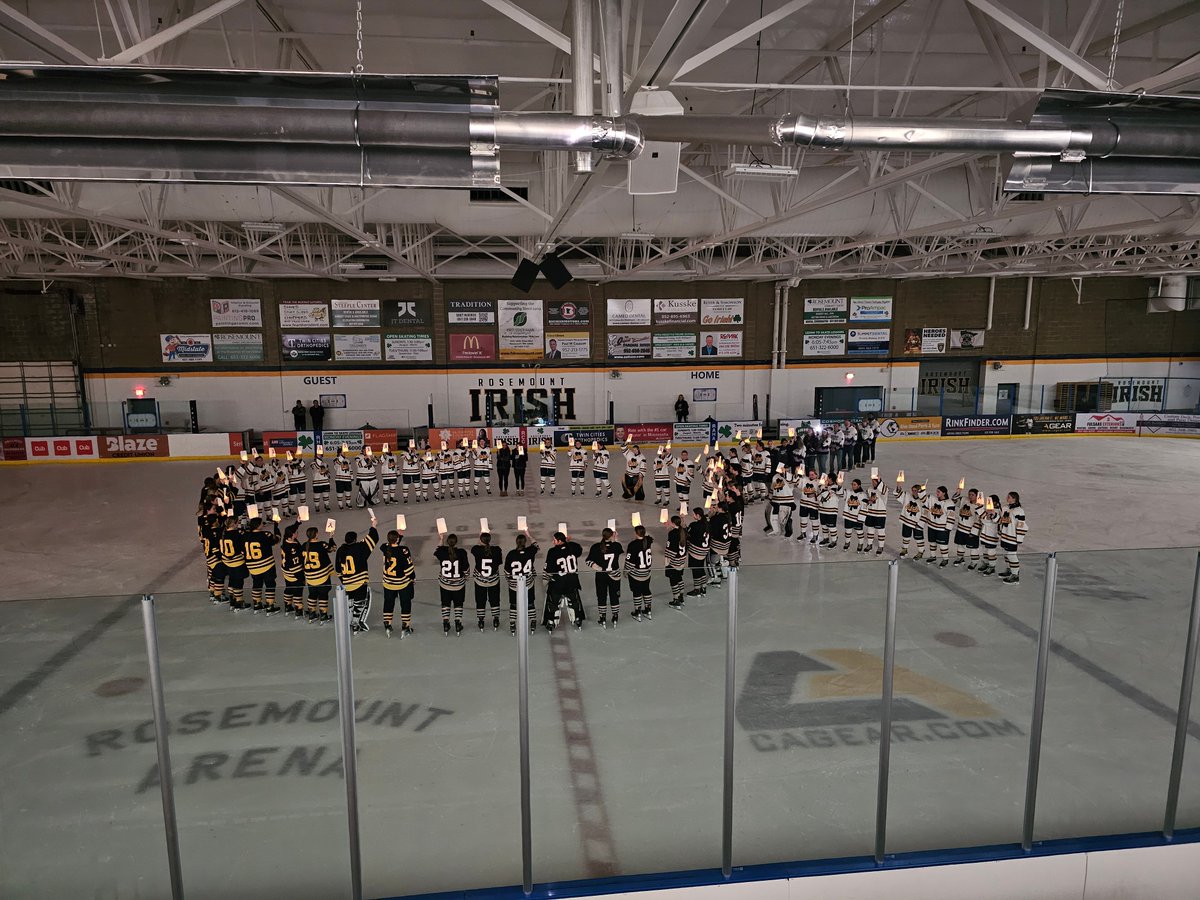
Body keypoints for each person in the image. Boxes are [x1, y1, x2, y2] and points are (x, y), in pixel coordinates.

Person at [336, 521, 379, 632]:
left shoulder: (340, 550)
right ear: (355, 539)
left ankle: (349, 621)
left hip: (347, 584)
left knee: (350, 602)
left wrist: (344, 580)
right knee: (361, 602)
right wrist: (373, 526)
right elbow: (373, 538)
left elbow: (337, 569)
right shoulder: (359, 547)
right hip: (359, 582)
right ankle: (356, 622)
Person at [543, 531, 585, 631]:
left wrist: (545, 580)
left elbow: (548, 569)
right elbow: (579, 549)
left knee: (553, 602)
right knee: (574, 600)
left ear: (559, 541)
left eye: (554, 540)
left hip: (558, 583)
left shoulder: (552, 552)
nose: (553, 542)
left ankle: (551, 621)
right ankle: (578, 618)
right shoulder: (572, 548)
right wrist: (568, 542)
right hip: (572, 581)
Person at [379, 528, 416, 637]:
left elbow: (389, 546)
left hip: (388, 583)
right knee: (405, 604)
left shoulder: (385, 548)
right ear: (397, 539)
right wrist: (413, 578)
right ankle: (405, 627)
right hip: (402, 583)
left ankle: (387, 626)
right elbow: (408, 568)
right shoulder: (404, 550)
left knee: (388, 604)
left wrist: (398, 537)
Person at [586, 527, 623, 628]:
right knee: (614, 596)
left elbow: (588, 561)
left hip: (601, 576)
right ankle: (615, 617)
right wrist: (615, 539)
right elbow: (618, 549)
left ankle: (602, 618)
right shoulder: (617, 546)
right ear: (611, 535)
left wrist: (599, 568)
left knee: (601, 596)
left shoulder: (596, 547)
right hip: (614, 576)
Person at [243, 516, 281, 614]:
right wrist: (276, 526)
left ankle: (257, 604)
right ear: (258, 525)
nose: (263, 525)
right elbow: (277, 540)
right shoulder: (265, 534)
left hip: (252, 566)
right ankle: (270, 605)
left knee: (257, 584)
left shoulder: (245, 535)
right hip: (266, 565)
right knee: (270, 584)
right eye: (262, 523)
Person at [504, 530, 539, 634]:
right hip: (528, 583)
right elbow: (536, 545)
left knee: (514, 604)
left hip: (514, 585)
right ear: (525, 542)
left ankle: (512, 623)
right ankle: (532, 621)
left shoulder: (511, 554)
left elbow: (506, 571)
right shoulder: (530, 551)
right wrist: (528, 534)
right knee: (530, 603)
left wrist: (510, 581)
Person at [434, 532, 469, 635]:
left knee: (445, 603)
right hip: (459, 585)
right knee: (458, 603)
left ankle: (445, 623)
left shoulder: (442, 552)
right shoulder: (462, 552)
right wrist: (466, 577)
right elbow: (466, 569)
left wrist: (441, 538)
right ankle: (458, 623)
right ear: (456, 542)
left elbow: (437, 550)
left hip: (445, 584)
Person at [302, 525, 336, 623]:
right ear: (316, 534)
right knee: (323, 595)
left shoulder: (304, 545)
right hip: (322, 576)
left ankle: (312, 614)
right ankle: (323, 615)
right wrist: (331, 537)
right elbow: (333, 548)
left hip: (310, 577)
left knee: (312, 594)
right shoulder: (322, 544)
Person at [472, 531, 504, 631]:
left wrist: (480, 536)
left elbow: (476, 548)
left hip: (480, 581)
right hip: (493, 580)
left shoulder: (476, 549)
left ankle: (481, 621)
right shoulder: (497, 550)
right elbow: (499, 562)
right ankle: (495, 619)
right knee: (494, 599)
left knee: (480, 600)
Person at [219, 516, 248, 611]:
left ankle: (232, 600)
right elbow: (243, 547)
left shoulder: (223, 533)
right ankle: (239, 602)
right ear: (234, 523)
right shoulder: (237, 534)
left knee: (231, 580)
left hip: (227, 562)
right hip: (237, 562)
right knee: (238, 582)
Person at [625, 525, 654, 621]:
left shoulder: (633, 545)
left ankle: (637, 612)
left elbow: (630, 562)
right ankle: (648, 610)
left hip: (636, 574)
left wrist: (626, 571)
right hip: (647, 572)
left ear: (636, 533)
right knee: (646, 590)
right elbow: (650, 538)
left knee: (637, 592)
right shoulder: (648, 541)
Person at [998, 491, 1028, 584]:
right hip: (1005, 536)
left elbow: (1021, 525)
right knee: (1007, 555)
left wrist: (1019, 538)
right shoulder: (1005, 508)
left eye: (1010, 497)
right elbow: (1001, 521)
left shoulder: (1019, 511)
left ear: (1015, 499)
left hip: (1012, 537)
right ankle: (1009, 570)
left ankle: (1015, 575)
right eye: (1008, 496)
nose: (1007, 498)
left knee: (1012, 555)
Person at [894, 482, 928, 559]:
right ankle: (904, 549)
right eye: (913, 490)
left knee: (919, 538)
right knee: (906, 536)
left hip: (917, 524)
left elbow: (925, 513)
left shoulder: (924, 501)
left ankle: (921, 551)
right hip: (907, 521)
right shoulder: (907, 496)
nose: (914, 492)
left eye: (916, 490)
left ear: (919, 491)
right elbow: (897, 495)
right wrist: (898, 487)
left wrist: (920, 523)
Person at [683, 507, 711, 601]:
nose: (693, 515)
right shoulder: (707, 523)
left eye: (694, 514)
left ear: (698, 516)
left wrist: (683, 524)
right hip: (704, 551)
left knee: (695, 570)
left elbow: (687, 534)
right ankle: (703, 588)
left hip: (696, 551)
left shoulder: (694, 525)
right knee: (701, 568)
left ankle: (697, 589)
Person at [280, 522, 305, 617]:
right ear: (293, 534)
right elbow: (295, 564)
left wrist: (297, 523)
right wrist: (301, 577)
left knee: (289, 588)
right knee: (298, 591)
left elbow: (289, 530)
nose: (297, 533)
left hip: (286, 571)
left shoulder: (285, 541)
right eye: (296, 532)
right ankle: (299, 610)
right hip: (294, 572)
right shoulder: (293, 548)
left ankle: (288, 606)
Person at [923, 486, 952, 567]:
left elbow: (951, 516)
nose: (937, 493)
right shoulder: (932, 499)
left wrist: (948, 528)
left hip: (942, 529)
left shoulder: (949, 503)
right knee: (932, 543)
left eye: (939, 492)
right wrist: (922, 491)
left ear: (944, 493)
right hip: (931, 526)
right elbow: (923, 499)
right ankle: (933, 556)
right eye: (937, 491)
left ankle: (945, 559)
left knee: (943, 545)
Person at [663, 515, 687, 613]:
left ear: (673, 523)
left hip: (674, 561)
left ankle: (676, 599)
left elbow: (670, 549)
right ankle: (681, 596)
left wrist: (667, 562)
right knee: (679, 578)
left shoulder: (673, 533)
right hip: (682, 560)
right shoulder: (683, 531)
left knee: (673, 580)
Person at [978, 495, 1002, 577]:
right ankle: (986, 563)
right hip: (984, 534)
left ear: (995, 502)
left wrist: (988, 516)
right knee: (985, 550)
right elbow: (982, 519)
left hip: (992, 535)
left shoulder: (998, 511)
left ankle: (992, 567)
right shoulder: (987, 509)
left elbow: (992, 521)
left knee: (991, 551)